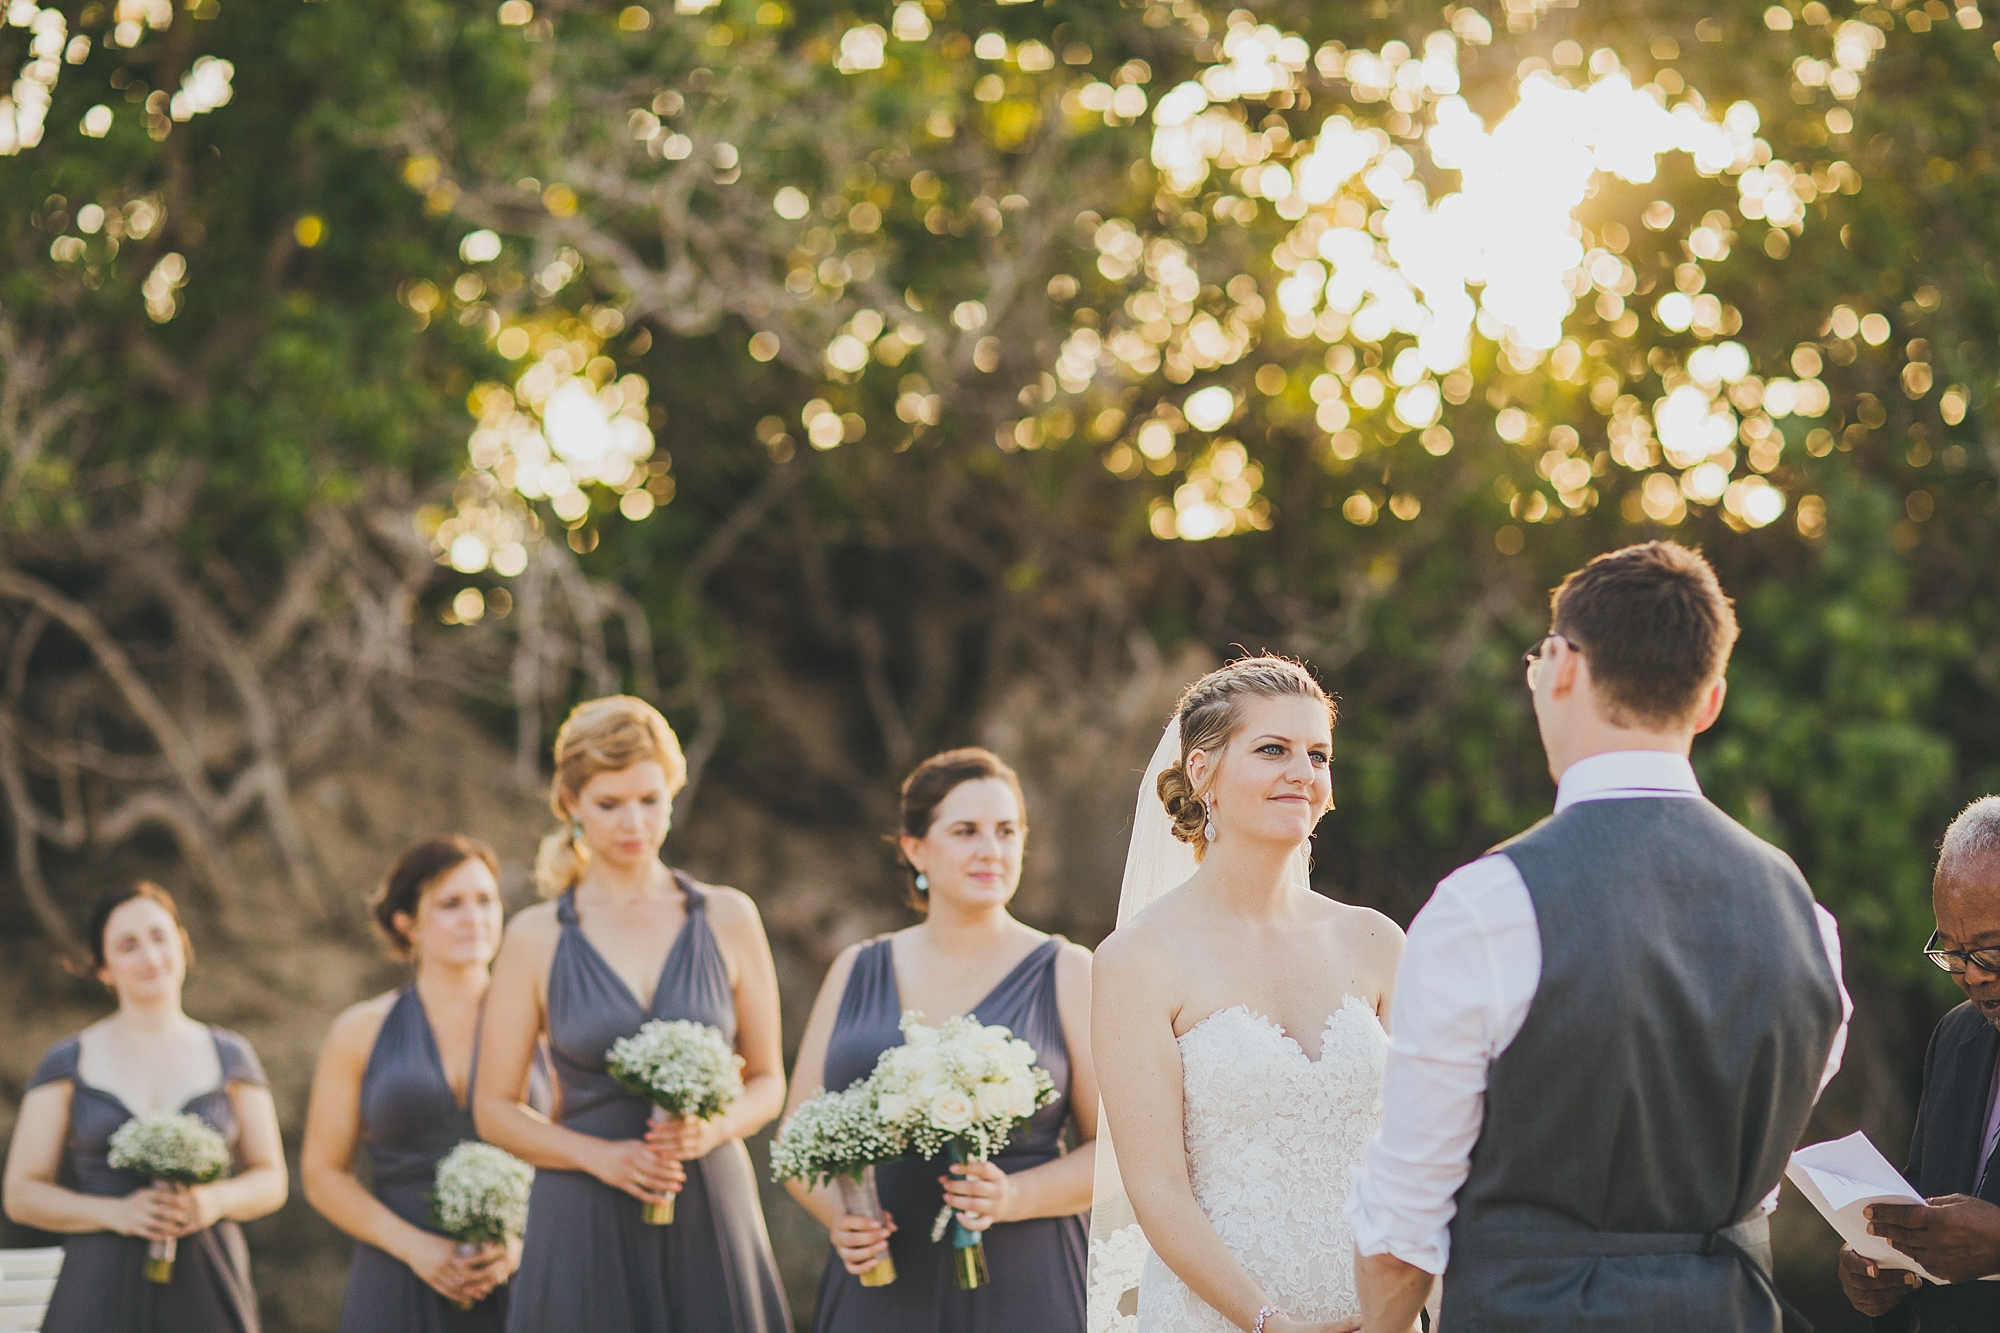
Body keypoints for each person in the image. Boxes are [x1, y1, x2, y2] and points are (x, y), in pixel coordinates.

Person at [1349, 540, 1853, 1333]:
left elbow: (1398, 1237)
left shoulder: (1484, 907)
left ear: (1561, 666)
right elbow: (1749, 1191)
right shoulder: (1808, 923)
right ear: (1712, 699)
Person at [1091, 655, 1405, 1333]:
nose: (1304, 772)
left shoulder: (1375, 941)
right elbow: (1157, 1187)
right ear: (1201, 771)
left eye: (1318, 754)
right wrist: (1268, 1323)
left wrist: (1404, 1309)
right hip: (1220, 1317)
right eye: (1273, 749)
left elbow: (1426, 1146)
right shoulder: (1136, 959)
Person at [473, 695, 791, 1333]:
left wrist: (712, 1128)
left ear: (673, 791)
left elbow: (769, 1082)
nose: (634, 823)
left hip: (707, 1193)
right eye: (610, 804)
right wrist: (599, 1157)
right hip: (582, 1205)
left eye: (650, 800)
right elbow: (495, 1110)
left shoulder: (729, 917)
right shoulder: (536, 937)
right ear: (571, 805)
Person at [782, 746, 1098, 1332]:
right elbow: (797, 1139)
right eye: (966, 831)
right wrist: (842, 1219)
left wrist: (1012, 1197)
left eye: (1007, 831)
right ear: (914, 847)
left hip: (1025, 1281)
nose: (991, 850)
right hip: (882, 1280)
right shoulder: (856, 968)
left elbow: (1118, 1152)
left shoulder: (1067, 970)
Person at [3, 881, 288, 1333]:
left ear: (183, 943)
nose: (150, 956)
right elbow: (20, 1195)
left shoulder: (232, 1056)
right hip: (98, 1281)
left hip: (208, 1281)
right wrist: (115, 1213)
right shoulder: (66, 1063)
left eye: (160, 936)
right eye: (128, 945)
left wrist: (212, 1200)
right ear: (104, 969)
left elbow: (272, 1179)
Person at [302, 835, 519, 1330]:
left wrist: (522, 1246)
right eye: (451, 904)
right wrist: (414, 1248)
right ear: (407, 924)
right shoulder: (359, 1031)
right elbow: (322, 1173)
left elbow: (573, 1147)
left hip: (525, 1276)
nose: (474, 917)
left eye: (486, 900)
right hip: (397, 1277)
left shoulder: (543, 1024)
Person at [1841, 795, 2000, 1329]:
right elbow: (1923, 1203)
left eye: (1990, 950)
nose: (1972, 975)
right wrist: (1882, 1264)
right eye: (1952, 953)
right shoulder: (1956, 1038)